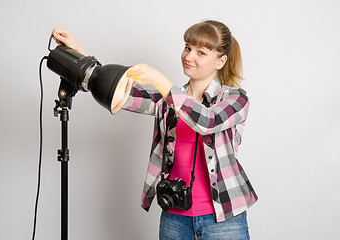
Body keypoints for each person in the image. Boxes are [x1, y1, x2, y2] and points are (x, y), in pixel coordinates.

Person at [52, 20, 258, 240]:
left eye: (201, 52)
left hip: (224, 220)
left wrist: (163, 83)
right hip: (175, 217)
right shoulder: (165, 100)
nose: (189, 57)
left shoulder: (235, 98)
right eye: (188, 48)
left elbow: (207, 121)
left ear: (221, 61)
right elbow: (120, 93)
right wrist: (79, 55)